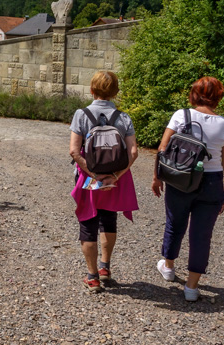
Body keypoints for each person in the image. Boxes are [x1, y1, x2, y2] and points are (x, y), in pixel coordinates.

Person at [152, 76, 224, 302]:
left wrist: (157, 177)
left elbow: (162, 149)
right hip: (212, 183)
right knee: (202, 234)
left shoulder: (181, 115)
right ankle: (191, 287)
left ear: (194, 94)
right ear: (218, 97)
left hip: (181, 178)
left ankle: (168, 268)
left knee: (175, 222)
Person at [68, 71, 139, 294]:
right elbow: (134, 152)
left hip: (90, 178)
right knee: (109, 219)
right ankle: (105, 268)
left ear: (92, 90)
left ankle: (92, 277)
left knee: (88, 223)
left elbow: (73, 151)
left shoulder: (81, 114)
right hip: (115, 178)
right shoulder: (123, 117)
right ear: (116, 92)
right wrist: (115, 176)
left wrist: (94, 176)